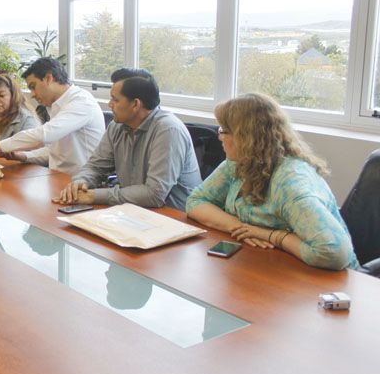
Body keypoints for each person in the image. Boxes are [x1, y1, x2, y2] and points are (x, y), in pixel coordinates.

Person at [186, 93, 357, 271]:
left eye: (224, 131)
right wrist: (242, 229)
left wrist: (272, 236)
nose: (219, 136)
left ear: (245, 138)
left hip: (328, 283)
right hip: (268, 266)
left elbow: (336, 253)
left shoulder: (289, 184)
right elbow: (195, 202)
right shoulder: (238, 163)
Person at [55, 68, 201, 210]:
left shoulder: (168, 130)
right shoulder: (116, 126)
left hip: (174, 217)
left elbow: (155, 194)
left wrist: (94, 196)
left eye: (115, 99)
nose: (109, 104)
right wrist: (81, 181)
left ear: (136, 104)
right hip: (134, 211)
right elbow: (95, 166)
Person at [0, 57, 105, 175]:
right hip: (56, 178)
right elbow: (54, 152)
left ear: (48, 78)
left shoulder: (81, 102)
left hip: (82, 183)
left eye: (33, 87)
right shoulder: (55, 105)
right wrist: (24, 156)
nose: (32, 94)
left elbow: (44, 134)